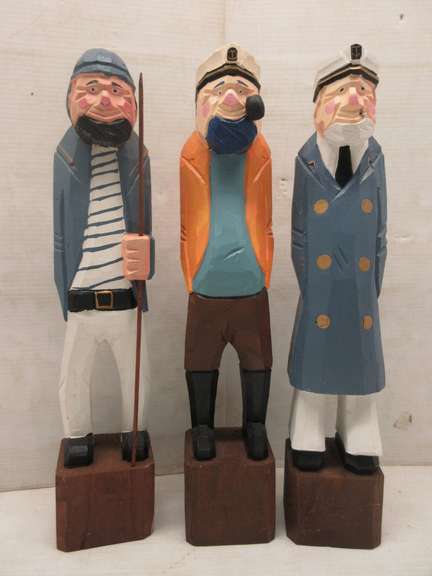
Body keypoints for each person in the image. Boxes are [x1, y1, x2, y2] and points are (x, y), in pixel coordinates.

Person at [288, 44, 387, 474]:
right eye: (342, 91)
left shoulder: (376, 159)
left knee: (359, 360)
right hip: (320, 289)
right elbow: (298, 235)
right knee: (316, 357)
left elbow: (380, 231)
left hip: (360, 288)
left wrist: (371, 285)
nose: (353, 100)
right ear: (318, 105)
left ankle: (359, 424)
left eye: (364, 91)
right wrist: (312, 286)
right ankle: (308, 422)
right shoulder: (306, 161)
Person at [53, 48, 154, 467]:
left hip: (125, 297)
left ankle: (134, 428)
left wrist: (147, 259)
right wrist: (63, 289)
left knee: (136, 373)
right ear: (71, 96)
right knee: (73, 374)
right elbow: (61, 234)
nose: (105, 100)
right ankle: (78, 433)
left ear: (132, 102)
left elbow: (147, 225)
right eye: (91, 89)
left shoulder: (139, 157)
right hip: (82, 294)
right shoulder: (65, 158)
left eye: (116, 90)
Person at [180, 44, 274, 461]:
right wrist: (190, 274)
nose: (231, 98)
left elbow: (265, 216)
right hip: (205, 284)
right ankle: (202, 424)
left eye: (241, 89)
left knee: (256, 359)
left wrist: (265, 268)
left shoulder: (261, 151)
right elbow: (186, 220)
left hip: (251, 283)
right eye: (218, 90)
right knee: (201, 358)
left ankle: (256, 423)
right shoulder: (191, 151)